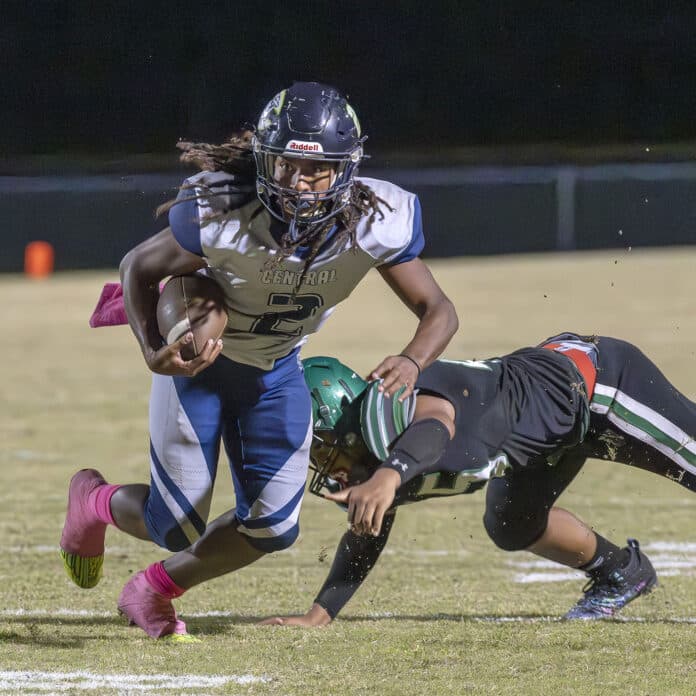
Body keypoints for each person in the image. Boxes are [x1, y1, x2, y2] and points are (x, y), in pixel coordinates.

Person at [59, 81, 458, 640]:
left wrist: (415, 360)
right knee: (172, 525)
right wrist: (153, 348)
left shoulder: (377, 218)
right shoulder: (223, 208)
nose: (300, 183)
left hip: (275, 371)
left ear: (346, 170)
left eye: (316, 170)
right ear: (263, 159)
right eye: (287, 165)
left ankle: (153, 589)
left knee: (273, 528)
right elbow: (137, 267)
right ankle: (92, 500)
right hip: (198, 373)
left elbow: (438, 309)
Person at [260, 331, 694, 627]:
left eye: (320, 447)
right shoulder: (379, 457)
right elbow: (365, 535)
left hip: (597, 388)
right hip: (546, 436)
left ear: (345, 425)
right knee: (512, 522)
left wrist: (391, 473)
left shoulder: (402, 410)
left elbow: (436, 424)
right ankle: (622, 573)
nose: (319, 462)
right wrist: (321, 613)